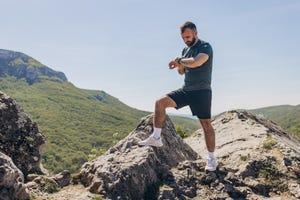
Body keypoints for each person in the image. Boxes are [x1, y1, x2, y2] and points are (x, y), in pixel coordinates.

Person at [138, 21, 218, 171]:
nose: (186, 40)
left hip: (202, 91)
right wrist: (179, 66)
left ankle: (212, 159)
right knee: (160, 103)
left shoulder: (205, 47)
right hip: (186, 90)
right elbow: (182, 72)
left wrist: (180, 61)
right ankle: (156, 138)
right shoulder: (185, 50)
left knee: (206, 125)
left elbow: (196, 62)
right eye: (183, 38)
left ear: (195, 32)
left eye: (188, 36)